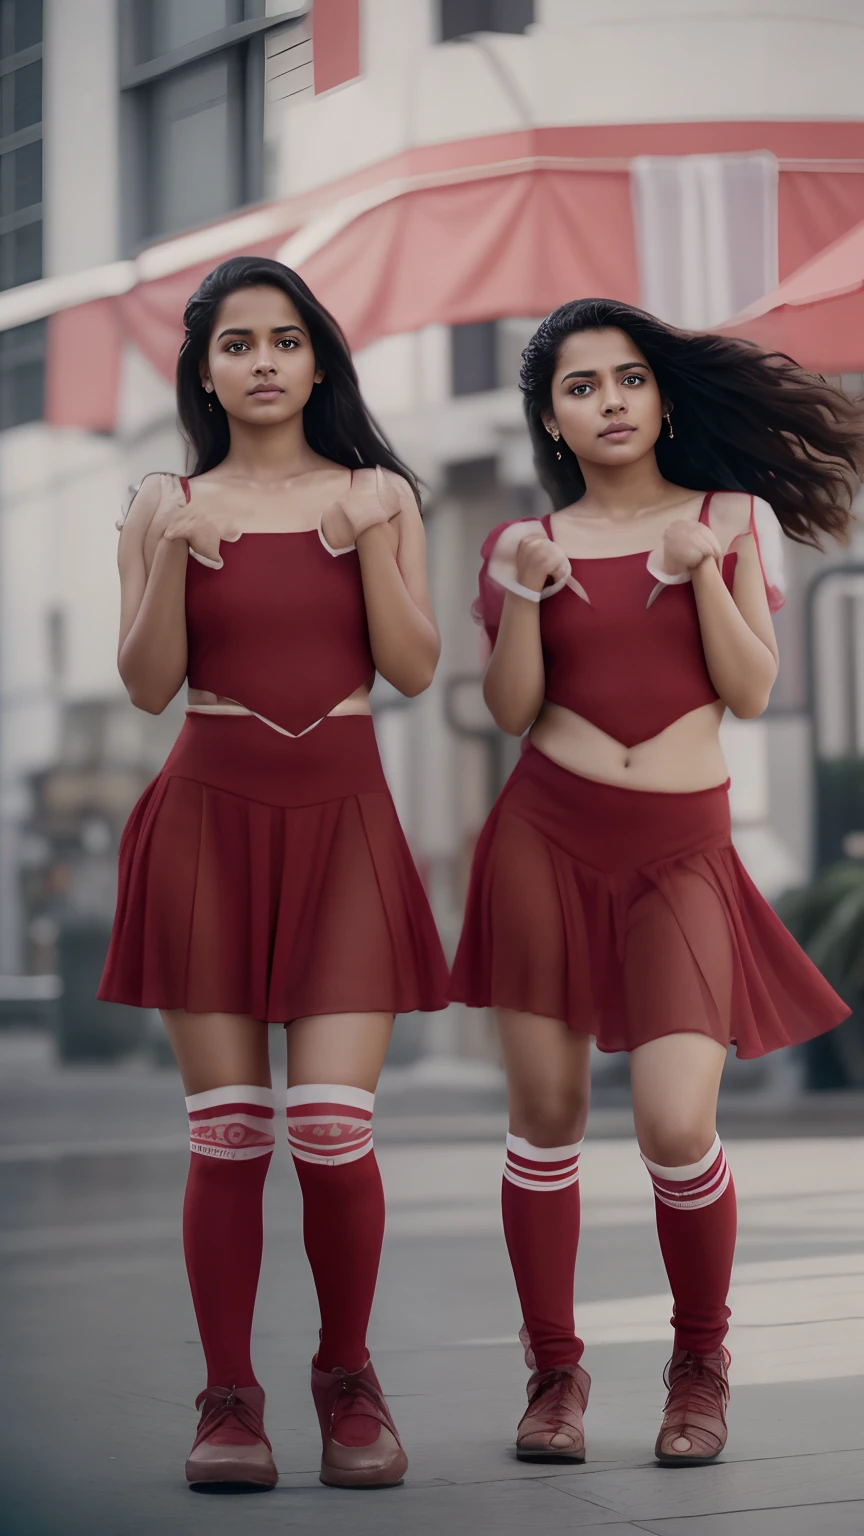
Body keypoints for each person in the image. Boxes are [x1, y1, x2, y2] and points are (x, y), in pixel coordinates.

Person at [450, 297, 863, 1467]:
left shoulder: (731, 519)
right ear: (553, 419)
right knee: (548, 1121)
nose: (611, 401)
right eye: (582, 387)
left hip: (683, 844)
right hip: (543, 836)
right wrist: (526, 590)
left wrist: (704, 573)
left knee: (679, 1125)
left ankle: (700, 1366)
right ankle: (553, 1377)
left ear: (663, 397)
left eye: (628, 378)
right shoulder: (517, 544)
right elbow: (512, 711)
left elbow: (753, 691)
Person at [99, 256, 449, 1491]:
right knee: (232, 1131)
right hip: (206, 817)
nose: (263, 362)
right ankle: (228, 1399)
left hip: (343, 813)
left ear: (318, 360)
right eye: (238, 343)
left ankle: (347, 1379)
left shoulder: (381, 493)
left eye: (285, 341)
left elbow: (414, 668)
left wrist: (358, 545)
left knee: (330, 1123)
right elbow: (145, 686)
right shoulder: (162, 499)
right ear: (205, 367)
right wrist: (177, 555)